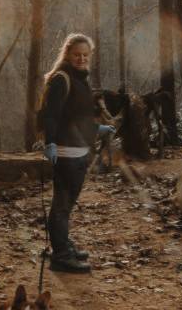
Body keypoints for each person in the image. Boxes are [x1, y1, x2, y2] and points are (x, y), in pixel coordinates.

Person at [36, 33, 115, 273]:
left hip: (79, 149)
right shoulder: (61, 79)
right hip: (66, 151)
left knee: (66, 204)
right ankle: (61, 256)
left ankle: (62, 246)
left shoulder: (80, 79)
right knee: (61, 205)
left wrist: (97, 129)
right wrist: (49, 144)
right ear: (68, 55)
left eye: (85, 55)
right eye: (77, 54)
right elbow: (52, 115)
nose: (81, 58)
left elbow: (77, 117)